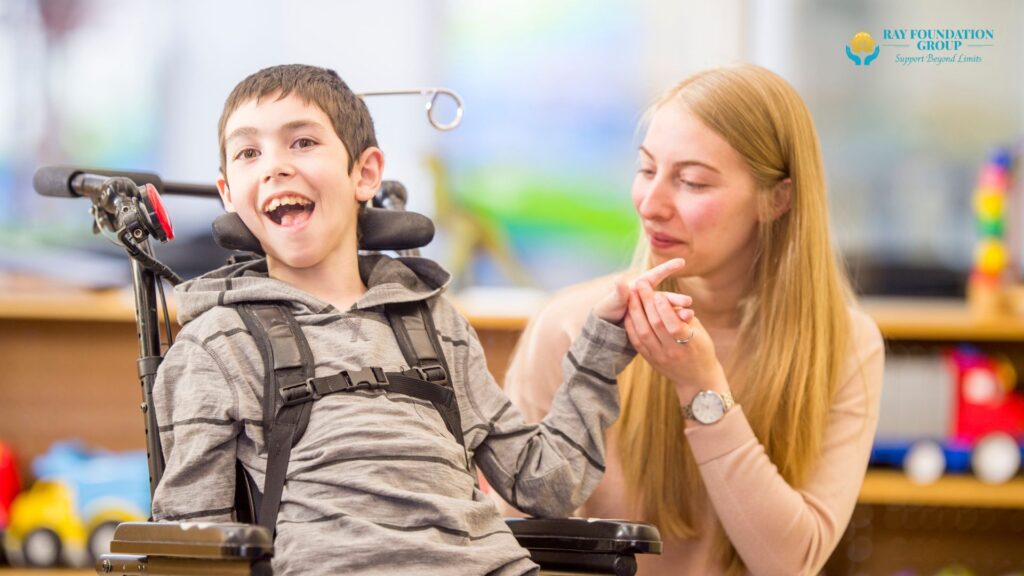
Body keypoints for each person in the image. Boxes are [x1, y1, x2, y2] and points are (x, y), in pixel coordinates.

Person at [149, 63, 686, 575]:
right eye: (248, 152)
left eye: (303, 142)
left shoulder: (435, 325)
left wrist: (601, 348)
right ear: (228, 195)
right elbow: (193, 540)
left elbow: (546, 484)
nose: (274, 165)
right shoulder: (215, 346)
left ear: (365, 173)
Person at [503, 64, 885, 576]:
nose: (651, 204)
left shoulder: (847, 345)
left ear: (778, 199)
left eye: (692, 182)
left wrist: (702, 389)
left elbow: (790, 563)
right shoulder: (569, 326)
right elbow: (513, 546)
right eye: (646, 170)